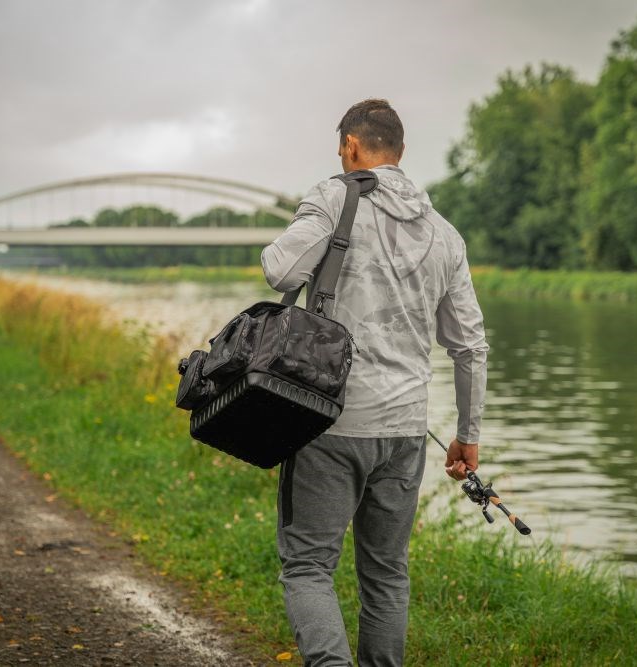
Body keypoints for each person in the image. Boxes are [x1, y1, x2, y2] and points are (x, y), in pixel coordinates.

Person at [260, 98, 488, 667]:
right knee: (386, 573)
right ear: (401, 152)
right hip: (407, 430)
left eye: (342, 149)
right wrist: (468, 434)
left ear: (352, 146)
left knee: (308, 566)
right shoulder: (445, 234)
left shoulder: (335, 196)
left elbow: (280, 271)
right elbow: (469, 346)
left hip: (330, 420)